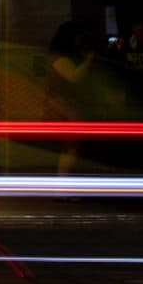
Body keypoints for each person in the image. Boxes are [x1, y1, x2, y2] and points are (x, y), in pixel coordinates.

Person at [46, 20, 99, 174]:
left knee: (71, 148)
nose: (79, 40)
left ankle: (65, 187)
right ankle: (64, 188)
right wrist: (89, 60)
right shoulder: (60, 58)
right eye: (77, 37)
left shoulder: (57, 56)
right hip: (65, 107)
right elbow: (73, 77)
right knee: (71, 149)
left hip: (62, 106)